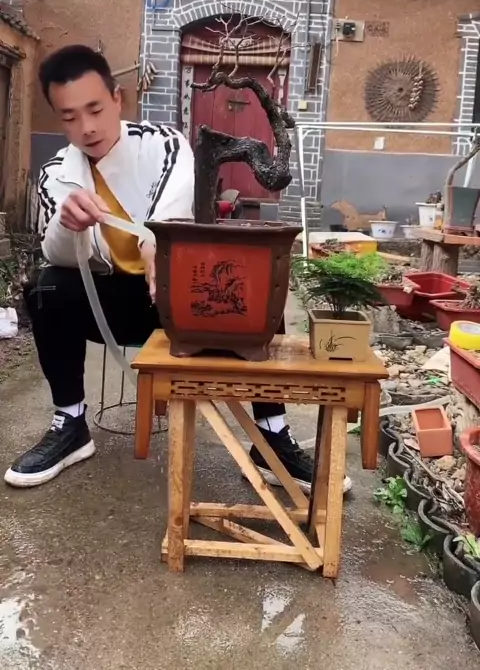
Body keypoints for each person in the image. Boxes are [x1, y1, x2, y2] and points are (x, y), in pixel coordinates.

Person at [4, 45, 351, 494]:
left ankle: (272, 435)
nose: (86, 127)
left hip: (179, 299)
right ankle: (70, 423)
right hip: (110, 302)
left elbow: (173, 208)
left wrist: (155, 245)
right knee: (46, 288)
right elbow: (59, 255)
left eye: (95, 109)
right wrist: (66, 223)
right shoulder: (57, 173)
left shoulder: (162, 143)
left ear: (117, 99)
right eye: (70, 117)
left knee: (255, 290)